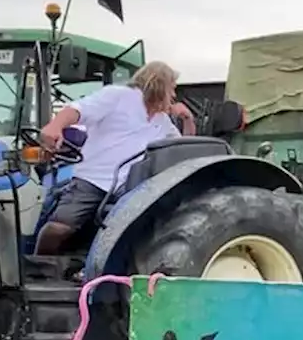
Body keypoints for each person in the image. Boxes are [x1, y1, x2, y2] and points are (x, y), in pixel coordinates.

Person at [34, 60, 195, 254]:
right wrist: (55, 126)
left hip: (129, 187)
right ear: (159, 85)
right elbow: (78, 109)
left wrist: (187, 119)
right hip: (93, 179)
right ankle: (39, 263)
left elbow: (184, 145)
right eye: (172, 88)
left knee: (142, 230)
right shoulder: (117, 96)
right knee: (60, 227)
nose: (174, 95)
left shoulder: (163, 120)